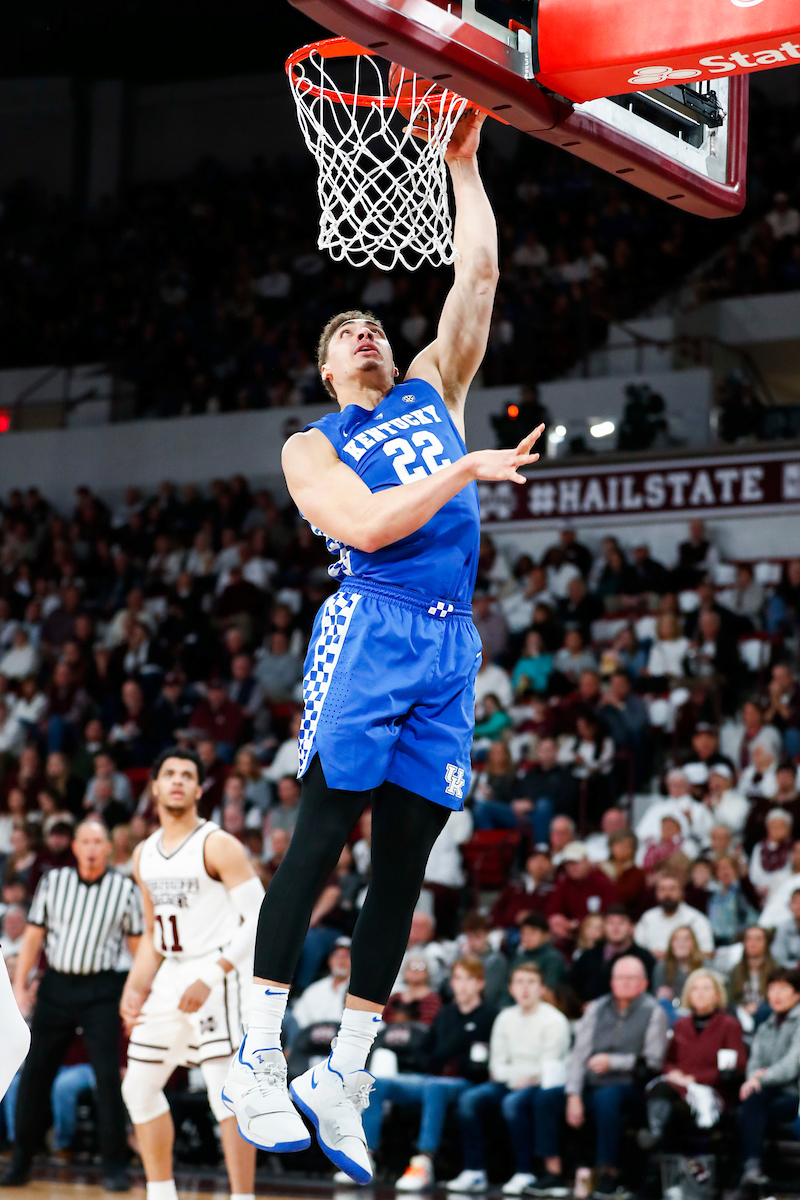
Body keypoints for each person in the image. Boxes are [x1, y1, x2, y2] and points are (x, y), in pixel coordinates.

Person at [223, 110, 546, 1185]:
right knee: (319, 842)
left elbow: (482, 278)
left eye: (369, 325)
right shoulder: (312, 445)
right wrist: (461, 473)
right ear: (325, 371)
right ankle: (257, 1058)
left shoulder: (431, 387)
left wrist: (462, 171)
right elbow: (363, 528)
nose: (362, 334)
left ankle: (344, 1076)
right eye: (340, 335)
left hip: (451, 645)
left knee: (403, 866)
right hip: (372, 626)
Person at [119, 748, 266, 1200]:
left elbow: (261, 915)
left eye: (188, 775)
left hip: (219, 971)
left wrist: (215, 973)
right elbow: (151, 931)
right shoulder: (143, 854)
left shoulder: (217, 843)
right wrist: (135, 985)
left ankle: (243, 1197)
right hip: (171, 974)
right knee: (138, 1089)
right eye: (170, 774)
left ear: (200, 790)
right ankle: (161, 1193)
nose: (178, 780)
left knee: (225, 1095)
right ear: (156, 787)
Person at [2, 818, 143, 1190]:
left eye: (99, 841)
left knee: (108, 1076)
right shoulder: (54, 882)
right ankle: (20, 1163)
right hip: (57, 986)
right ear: (76, 847)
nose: (93, 848)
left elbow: (136, 949)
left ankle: (114, 1167)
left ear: (108, 848)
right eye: (86, 841)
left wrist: (139, 995)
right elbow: (33, 937)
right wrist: (19, 985)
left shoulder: (123, 889)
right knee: (34, 1075)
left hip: (102, 988)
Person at [361, 958, 497, 1192]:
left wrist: (445, 1054)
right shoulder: (445, 1014)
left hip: (465, 1083)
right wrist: (451, 1049)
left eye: (468, 979)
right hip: (430, 1078)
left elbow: (477, 1066)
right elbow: (425, 1054)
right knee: (378, 1083)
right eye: (458, 979)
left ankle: (424, 1162)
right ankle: (365, 1156)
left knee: (435, 1087)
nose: (462, 986)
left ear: (480, 984)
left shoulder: (489, 1015)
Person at [446, 962, 571, 1197]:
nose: (525, 989)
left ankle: (525, 1171)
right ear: (511, 988)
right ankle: (475, 1170)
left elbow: (549, 1066)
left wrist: (522, 1077)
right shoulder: (505, 1017)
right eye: (519, 983)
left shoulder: (555, 1020)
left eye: (531, 983)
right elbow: (496, 1064)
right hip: (509, 1081)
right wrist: (515, 1077)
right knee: (469, 1100)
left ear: (542, 988)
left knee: (513, 1103)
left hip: (541, 1086)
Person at [566, 957, 669, 1197]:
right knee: (548, 1099)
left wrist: (614, 1061)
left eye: (630, 978)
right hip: (592, 1083)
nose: (624, 983)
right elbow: (579, 1055)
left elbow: (653, 1060)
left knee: (607, 1099)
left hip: (630, 1086)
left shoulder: (653, 1011)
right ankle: (555, 1172)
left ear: (643, 983)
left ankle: (607, 1172)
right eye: (619, 978)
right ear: (611, 982)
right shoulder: (596, 1008)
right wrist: (573, 1094)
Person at [640, 969, 746, 1151]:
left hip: (711, 1091)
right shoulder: (681, 1024)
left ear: (717, 994)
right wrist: (673, 1073)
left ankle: (657, 1143)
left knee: (672, 1107)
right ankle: (657, 1140)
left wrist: (694, 1079)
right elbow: (668, 1061)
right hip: (679, 1086)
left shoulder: (729, 1025)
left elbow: (738, 1065)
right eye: (695, 988)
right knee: (661, 1089)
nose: (700, 993)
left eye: (706, 988)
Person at [735, 968, 800, 1193]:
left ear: (797, 994)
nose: (776, 994)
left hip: (794, 1094)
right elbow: (754, 1061)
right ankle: (752, 1171)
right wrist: (754, 1078)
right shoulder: (765, 1026)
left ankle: (749, 1172)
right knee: (752, 1103)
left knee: (750, 1111)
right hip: (769, 1093)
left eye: (784, 988)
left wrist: (760, 1078)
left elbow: (792, 1066)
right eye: (772, 989)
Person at [569, 905, 656, 1003]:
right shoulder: (587, 956)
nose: (616, 928)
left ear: (631, 927)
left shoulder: (644, 958)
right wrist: (582, 1006)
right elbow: (572, 987)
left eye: (621, 923)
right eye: (611, 923)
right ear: (604, 926)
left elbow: (650, 992)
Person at [634, 871, 715, 959]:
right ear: (656, 894)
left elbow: (708, 953)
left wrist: (672, 957)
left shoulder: (695, 919)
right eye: (662, 889)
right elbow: (637, 949)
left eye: (672, 889)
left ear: (681, 893)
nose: (667, 894)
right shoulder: (648, 918)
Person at [291, 937, 351, 1031]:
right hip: (311, 1042)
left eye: (346, 957)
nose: (341, 961)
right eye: (338, 956)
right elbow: (298, 1019)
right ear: (330, 960)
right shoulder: (315, 989)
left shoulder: (358, 993)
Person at [727, 926, 775, 1023]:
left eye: (758, 939)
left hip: (766, 1013)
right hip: (741, 1013)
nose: (752, 943)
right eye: (749, 939)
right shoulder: (736, 970)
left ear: (766, 943)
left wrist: (757, 1007)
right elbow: (730, 998)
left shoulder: (775, 969)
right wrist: (743, 1006)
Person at [652, 926, 706, 1008]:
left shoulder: (705, 967)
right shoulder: (661, 967)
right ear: (671, 944)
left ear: (694, 943)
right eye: (676, 940)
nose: (681, 944)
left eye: (686, 939)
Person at [771, 887, 800, 968]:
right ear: (790, 905)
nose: (798, 906)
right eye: (795, 902)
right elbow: (779, 956)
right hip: (791, 973)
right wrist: (795, 966)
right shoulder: (783, 928)